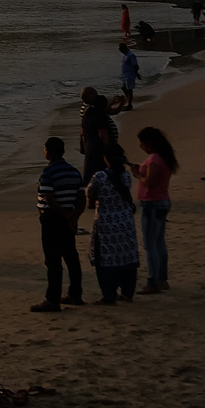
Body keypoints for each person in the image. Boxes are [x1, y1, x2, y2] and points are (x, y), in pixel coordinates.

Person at [29, 138, 85, 312]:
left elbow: (49, 198)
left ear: (48, 151)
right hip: (68, 218)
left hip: (52, 219)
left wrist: (66, 215)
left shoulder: (48, 172)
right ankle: (75, 294)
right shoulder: (74, 172)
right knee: (71, 257)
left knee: (53, 260)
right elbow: (81, 199)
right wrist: (73, 217)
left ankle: (53, 300)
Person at [84, 143, 139, 302]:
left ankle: (109, 294)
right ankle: (128, 292)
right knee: (126, 256)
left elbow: (90, 196)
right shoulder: (126, 175)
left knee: (105, 259)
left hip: (106, 224)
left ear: (106, 158)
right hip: (126, 222)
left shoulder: (99, 177)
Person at [133, 127, 177, 292]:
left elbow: (150, 181)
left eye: (142, 144)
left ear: (149, 143)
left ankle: (153, 281)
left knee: (150, 244)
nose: (141, 147)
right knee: (159, 242)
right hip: (160, 201)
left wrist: (137, 174)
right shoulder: (163, 158)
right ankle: (162, 278)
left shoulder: (155, 160)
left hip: (153, 203)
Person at [116, 41, 141, 110]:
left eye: (120, 49)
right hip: (125, 75)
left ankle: (129, 104)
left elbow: (136, 65)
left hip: (130, 74)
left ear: (124, 48)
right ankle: (128, 101)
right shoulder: (125, 55)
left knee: (129, 89)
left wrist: (137, 74)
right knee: (124, 88)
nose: (120, 51)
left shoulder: (130, 55)